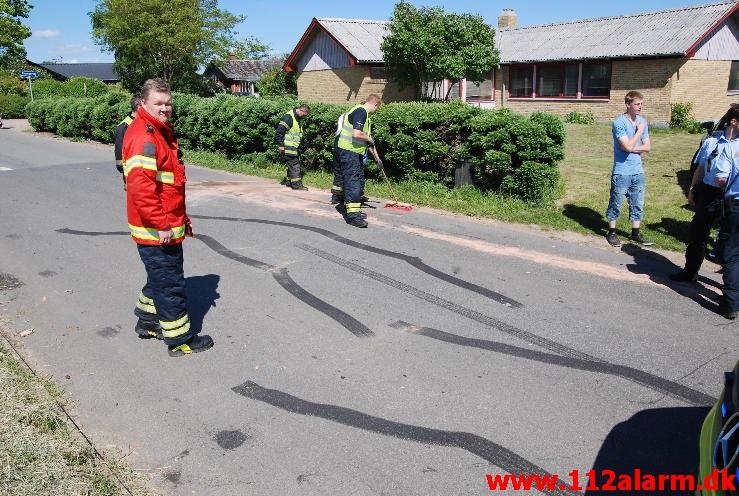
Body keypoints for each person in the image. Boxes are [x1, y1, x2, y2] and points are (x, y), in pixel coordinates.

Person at [123, 78, 213, 356]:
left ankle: (148, 322)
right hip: (157, 228)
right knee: (170, 284)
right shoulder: (145, 137)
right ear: (143, 103)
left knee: (159, 278)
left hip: (165, 223)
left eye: (168, 103)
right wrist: (160, 224)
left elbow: (166, 184)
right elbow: (141, 188)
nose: (165, 108)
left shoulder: (156, 131)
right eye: (158, 103)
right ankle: (179, 340)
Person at [671, 106, 739, 282]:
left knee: (729, 241)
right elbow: (700, 168)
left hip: (730, 197)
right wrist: (693, 189)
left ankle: (729, 284)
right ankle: (690, 271)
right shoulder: (712, 142)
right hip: (709, 194)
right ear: (734, 122)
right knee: (698, 235)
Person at [605, 91, 653, 247]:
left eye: (641, 104)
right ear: (628, 105)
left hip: (637, 170)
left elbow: (647, 147)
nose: (640, 107)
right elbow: (625, 146)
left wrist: (631, 147)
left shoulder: (643, 121)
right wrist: (638, 132)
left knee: (637, 202)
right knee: (616, 201)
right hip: (622, 170)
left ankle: (635, 233)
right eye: (637, 104)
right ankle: (612, 232)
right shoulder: (619, 122)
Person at [337, 94, 381, 228]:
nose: (376, 111)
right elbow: (357, 134)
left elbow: (364, 138)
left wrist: (377, 156)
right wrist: (368, 139)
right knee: (353, 182)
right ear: (375, 104)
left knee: (355, 181)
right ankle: (353, 216)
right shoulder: (361, 111)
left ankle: (352, 209)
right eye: (377, 108)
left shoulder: (360, 112)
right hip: (350, 152)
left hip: (353, 152)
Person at [715, 113, 739, 319]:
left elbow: (721, 179)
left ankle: (731, 304)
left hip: (736, 205)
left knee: (732, 254)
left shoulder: (731, 148)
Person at [275, 104, 310, 190]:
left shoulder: (298, 118)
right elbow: (280, 131)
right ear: (302, 110)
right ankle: (297, 185)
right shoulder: (289, 117)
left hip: (293, 146)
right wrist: (281, 145)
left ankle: (289, 181)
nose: (305, 117)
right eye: (305, 115)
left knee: (292, 164)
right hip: (287, 146)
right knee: (294, 164)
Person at [114, 94, 141, 188]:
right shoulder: (124, 127)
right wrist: (124, 171)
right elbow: (119, 151)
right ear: (139, 107)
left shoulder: (143, 123)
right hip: (131, 175)